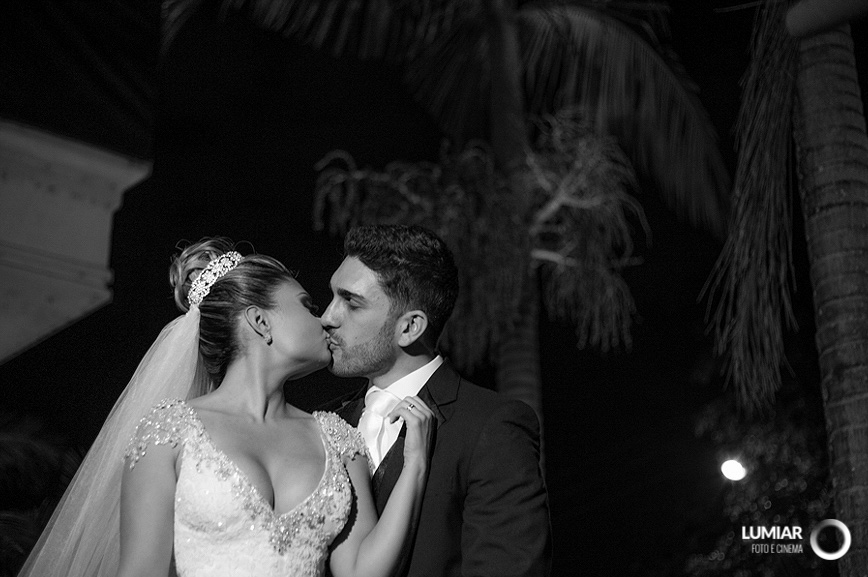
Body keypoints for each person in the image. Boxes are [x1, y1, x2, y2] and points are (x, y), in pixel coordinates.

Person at [17, 237, 434, 577]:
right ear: (260, 322)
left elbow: (362, 571)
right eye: (307, 305)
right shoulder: (170, 432)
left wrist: (414, 466)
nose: (325, 319)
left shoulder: (339, 440)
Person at [320, 224, 552, 577]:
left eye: (351, 302)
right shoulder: (326, 423)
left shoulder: (491, 426)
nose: (327, 317)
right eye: (333, 296)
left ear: (410, 327)